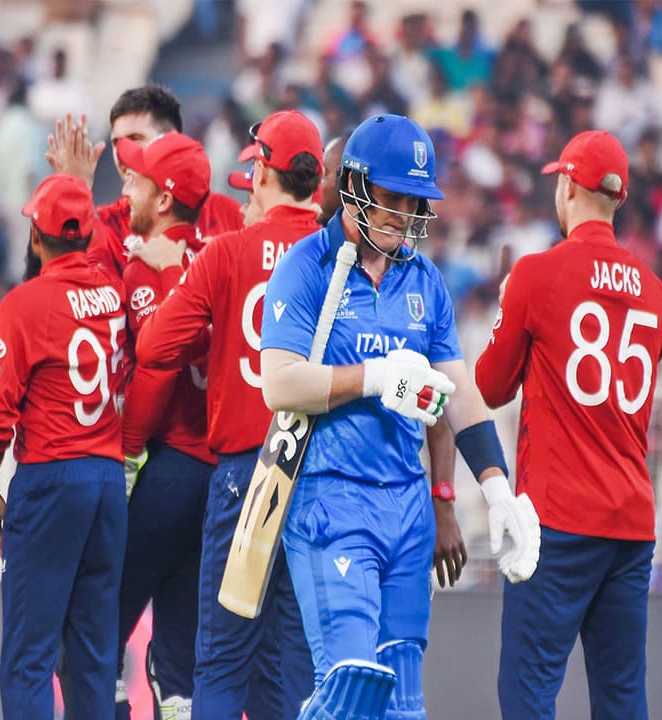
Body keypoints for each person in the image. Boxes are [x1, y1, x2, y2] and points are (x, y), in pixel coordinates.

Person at [258, 114, 541, 720]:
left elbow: (455, 394)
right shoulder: (306, 266)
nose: (403, 213)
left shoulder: (424, 279)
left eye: (413, 200)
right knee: (351, 691)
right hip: (332, 501)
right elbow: (278, 384)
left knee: (403, 706)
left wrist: (494, 488)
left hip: (407, 509)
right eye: (392, 196)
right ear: (354, 185)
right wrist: (375, 378)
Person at [134, 109, 323, 720]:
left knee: (220, 660)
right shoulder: (341, 257)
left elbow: (153, 347)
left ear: (263, 173)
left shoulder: (226, 253)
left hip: (247, 475)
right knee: (291, 665)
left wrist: (180, 279)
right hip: (318, 477)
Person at [474, 130, 662, 720]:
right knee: (622, 696)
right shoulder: (655, 292)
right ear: (619, 198)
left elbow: (490, 387)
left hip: (558, 517)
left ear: (567, 186)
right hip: (630, 520)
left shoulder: (538, 274)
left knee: (527, 692)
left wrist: (509, 302)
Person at [0, 174, 128, 719]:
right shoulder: (115, 293)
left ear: (36, 238)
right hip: (107, 482)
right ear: (86, 235)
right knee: (93, 658)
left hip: (51, 479)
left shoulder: (24, 303)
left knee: (29, 658)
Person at [110, 130, 215, 719]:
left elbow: (158, 367)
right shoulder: (219, 256)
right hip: (218, 477)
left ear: (166, 198)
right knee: (178, 660)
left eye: (139, 180)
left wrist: (127, 455)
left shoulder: (146, 270)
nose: (129, 189)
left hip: (167, 468)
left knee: (99, 632)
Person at [45, 85, 243, 275]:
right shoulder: (104, 222)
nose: (121, 155)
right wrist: (74, 198)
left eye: (135, 138)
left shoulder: (229, 215)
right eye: (116, 143)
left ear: (172, 141)